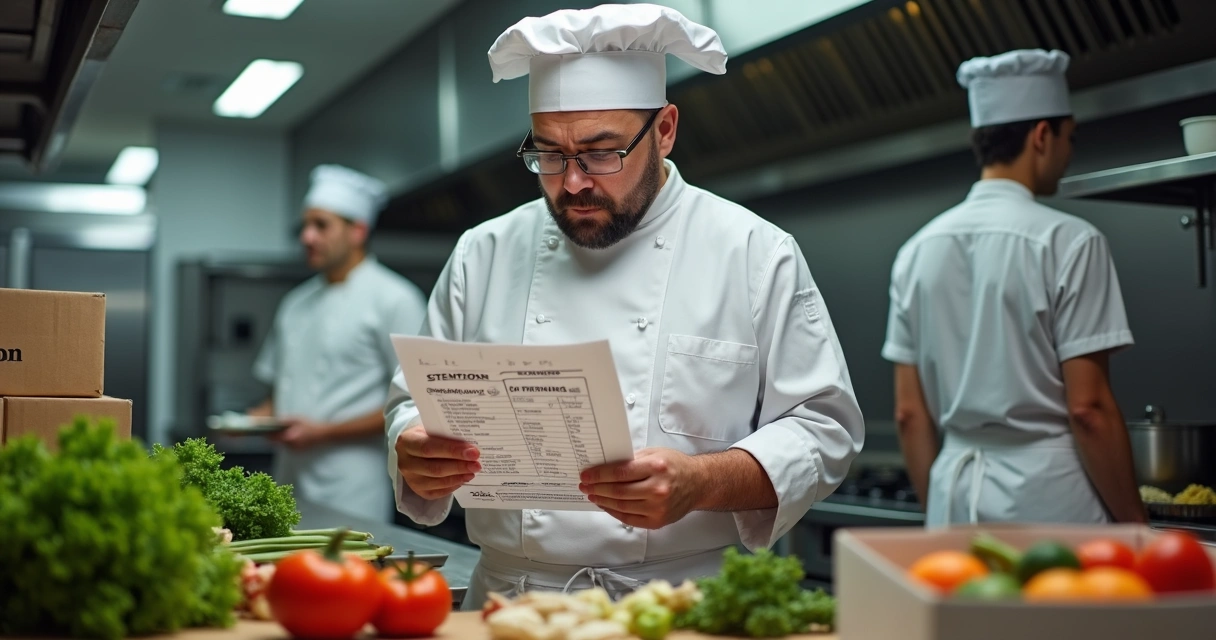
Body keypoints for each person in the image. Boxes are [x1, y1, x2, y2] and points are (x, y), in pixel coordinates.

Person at [384, 3, 864, 609]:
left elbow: (825, 430)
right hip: (512, 604)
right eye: (550, 155)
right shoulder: (484, 252)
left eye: (602, 152)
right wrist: (415, 449)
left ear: (664, 129)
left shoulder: (752, 251)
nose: (575, 181)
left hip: (683, 605)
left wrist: (702, 482)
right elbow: (412, 403)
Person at [882, 49, 1145, 528]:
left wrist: (936, 508)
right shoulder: (1070, 240)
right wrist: (1135, 525)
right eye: (1070, 137)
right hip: (1050, 502)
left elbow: (908, 414)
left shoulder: (915, 251)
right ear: (1042, 136)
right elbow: (1088, 409)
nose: (1068, 152)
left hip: (953, 494)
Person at [251, 164, 428, 522]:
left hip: (352, 485)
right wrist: (252, 421)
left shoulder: (395, 299)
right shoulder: (295, 302)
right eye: (305, 225)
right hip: (287, 478)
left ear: (358, 231)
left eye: (321, 225)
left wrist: (324, 432)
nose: (307, 237)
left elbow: (418, 400)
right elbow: (281, 388)